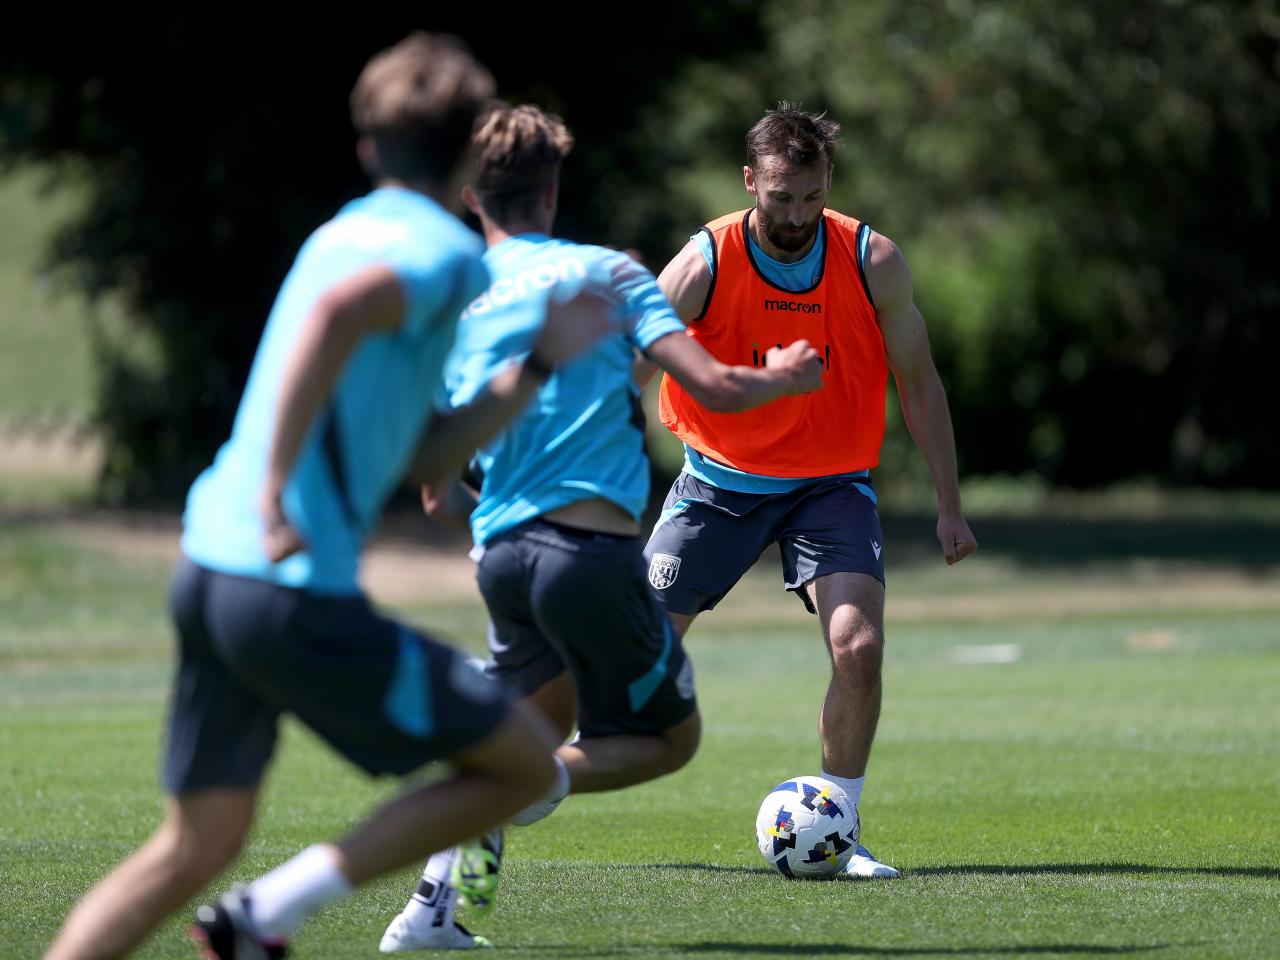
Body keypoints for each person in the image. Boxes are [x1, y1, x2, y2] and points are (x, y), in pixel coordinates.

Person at [44, 34, 614, 960]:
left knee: (197, 842)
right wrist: (277, 494)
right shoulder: (443, 255)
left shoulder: (338, 230)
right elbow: (334, 316)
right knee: (516, 765)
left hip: (210, 572)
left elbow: (424, 451)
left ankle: (244, 913)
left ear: (367, 148)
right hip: (289, 588)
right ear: (472, 154)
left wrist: (538, 365)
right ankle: (267, 915)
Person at [378, 102, 824, 952]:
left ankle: (436, 913)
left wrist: (506, 535)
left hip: (501, 557)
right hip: (586, 554)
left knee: (529, 725)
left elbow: (436, 492)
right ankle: (520, 785)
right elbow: (716, 388)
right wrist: (789, 377)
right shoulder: (609, 274)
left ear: (473, 196)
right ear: (552, 190)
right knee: (664, 740)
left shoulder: (451, 303)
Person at [643, 102, 978, 880]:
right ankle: (544, 772)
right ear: (750, 180)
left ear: (830, 183)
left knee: (858, 646)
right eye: (779, 196)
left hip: (830, 485)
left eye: (811, 197)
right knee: (639, 654)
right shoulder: (705, 262)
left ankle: (842, 825)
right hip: (717, 482)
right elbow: (630, 362)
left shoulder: (871, 259)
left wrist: (949, 503)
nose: (795, 215)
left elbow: (919, 381)